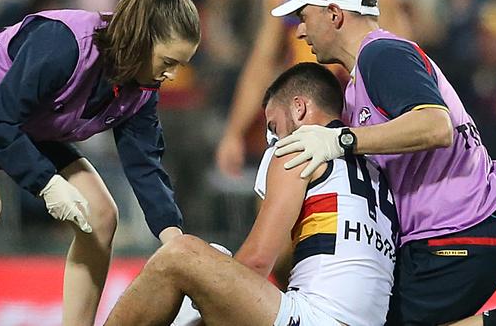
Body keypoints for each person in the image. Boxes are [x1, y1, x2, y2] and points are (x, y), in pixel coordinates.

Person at [0, 0, 199, 326]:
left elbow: (144, 165)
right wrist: (47, 183)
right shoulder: (65, 43)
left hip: (26, 123)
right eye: (169, 61)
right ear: (143, 41)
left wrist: (173, 238)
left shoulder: (142, 87)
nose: (172, 75)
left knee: (101, 216)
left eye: (180, 65)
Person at [269, 0, 496, 325]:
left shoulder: (382, 54)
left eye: (304, 16)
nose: (299, 31)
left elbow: (436, 126)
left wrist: (341, 139)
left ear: (334, 14)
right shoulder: (361, 79)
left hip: (459, 228)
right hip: (453, 230)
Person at [105, 63, 398, 326]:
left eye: (273, 127)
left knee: (181, 254)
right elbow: (286, 269)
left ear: (299, 108)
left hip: (314, 316)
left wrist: (212, 279)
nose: (274, 139)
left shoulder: (298, 149)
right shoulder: (376, 167)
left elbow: (258, 261)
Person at [215, 0, 411, 179]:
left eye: (304, 19)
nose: (301, 31)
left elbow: (398, 60)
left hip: (354, 119)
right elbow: (262, 63)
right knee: (279, 187)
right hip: (302, 116)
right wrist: (235, 132)